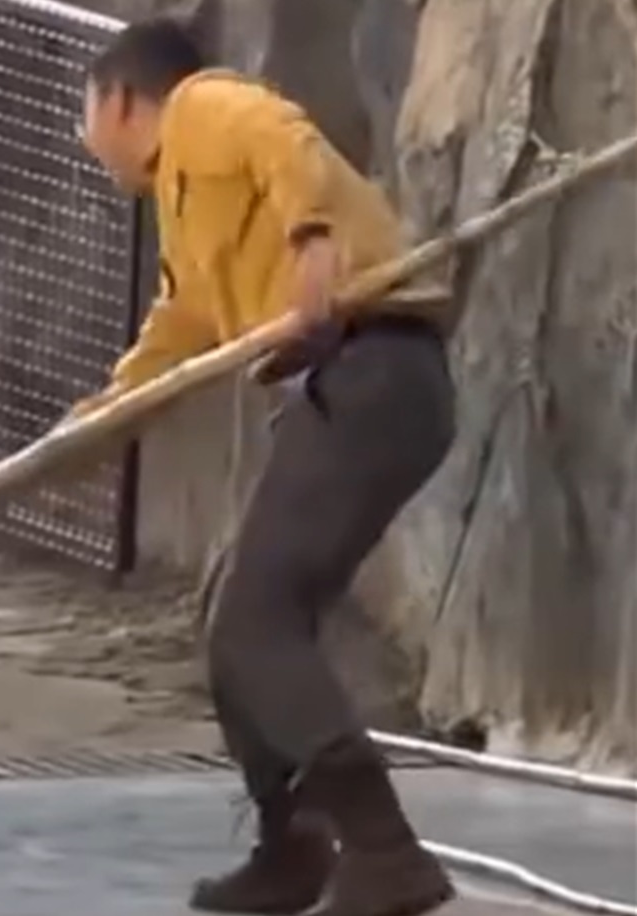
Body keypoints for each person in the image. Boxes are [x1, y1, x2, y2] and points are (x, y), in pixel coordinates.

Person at [73, 18, 457, 916]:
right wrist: (90, 428)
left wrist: (315, 239)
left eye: (85, 111)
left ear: (123, 99)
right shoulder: (182, 201)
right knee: (231, 623)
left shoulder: (206, 106)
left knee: (258, 621)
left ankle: (384, 850)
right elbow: (174, 332)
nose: (85, 137)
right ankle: (294, 844)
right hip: (347, 393)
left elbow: (288, 141)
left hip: (372, 368)